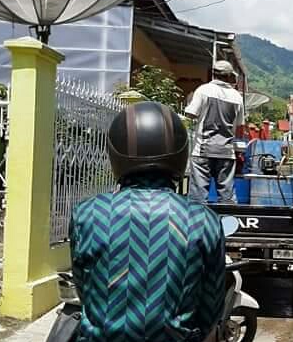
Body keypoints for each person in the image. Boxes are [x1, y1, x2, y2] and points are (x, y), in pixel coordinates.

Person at [70, 102, 226, 342]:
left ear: (116, 152)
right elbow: (211, 308)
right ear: (180, 152)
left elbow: (85, 290)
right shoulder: (203, 220)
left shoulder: (88, 214)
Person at [185, 60, 245, 204]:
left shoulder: (203, 90)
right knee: (227, 196)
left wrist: (189, 101)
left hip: (203, 150)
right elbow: (239, 126)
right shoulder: (237, 97)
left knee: (198, 197)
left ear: (213, 73)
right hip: (226, 152)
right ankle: (228, 222)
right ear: (229, 76)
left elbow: (191, 114)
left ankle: (198, 224)